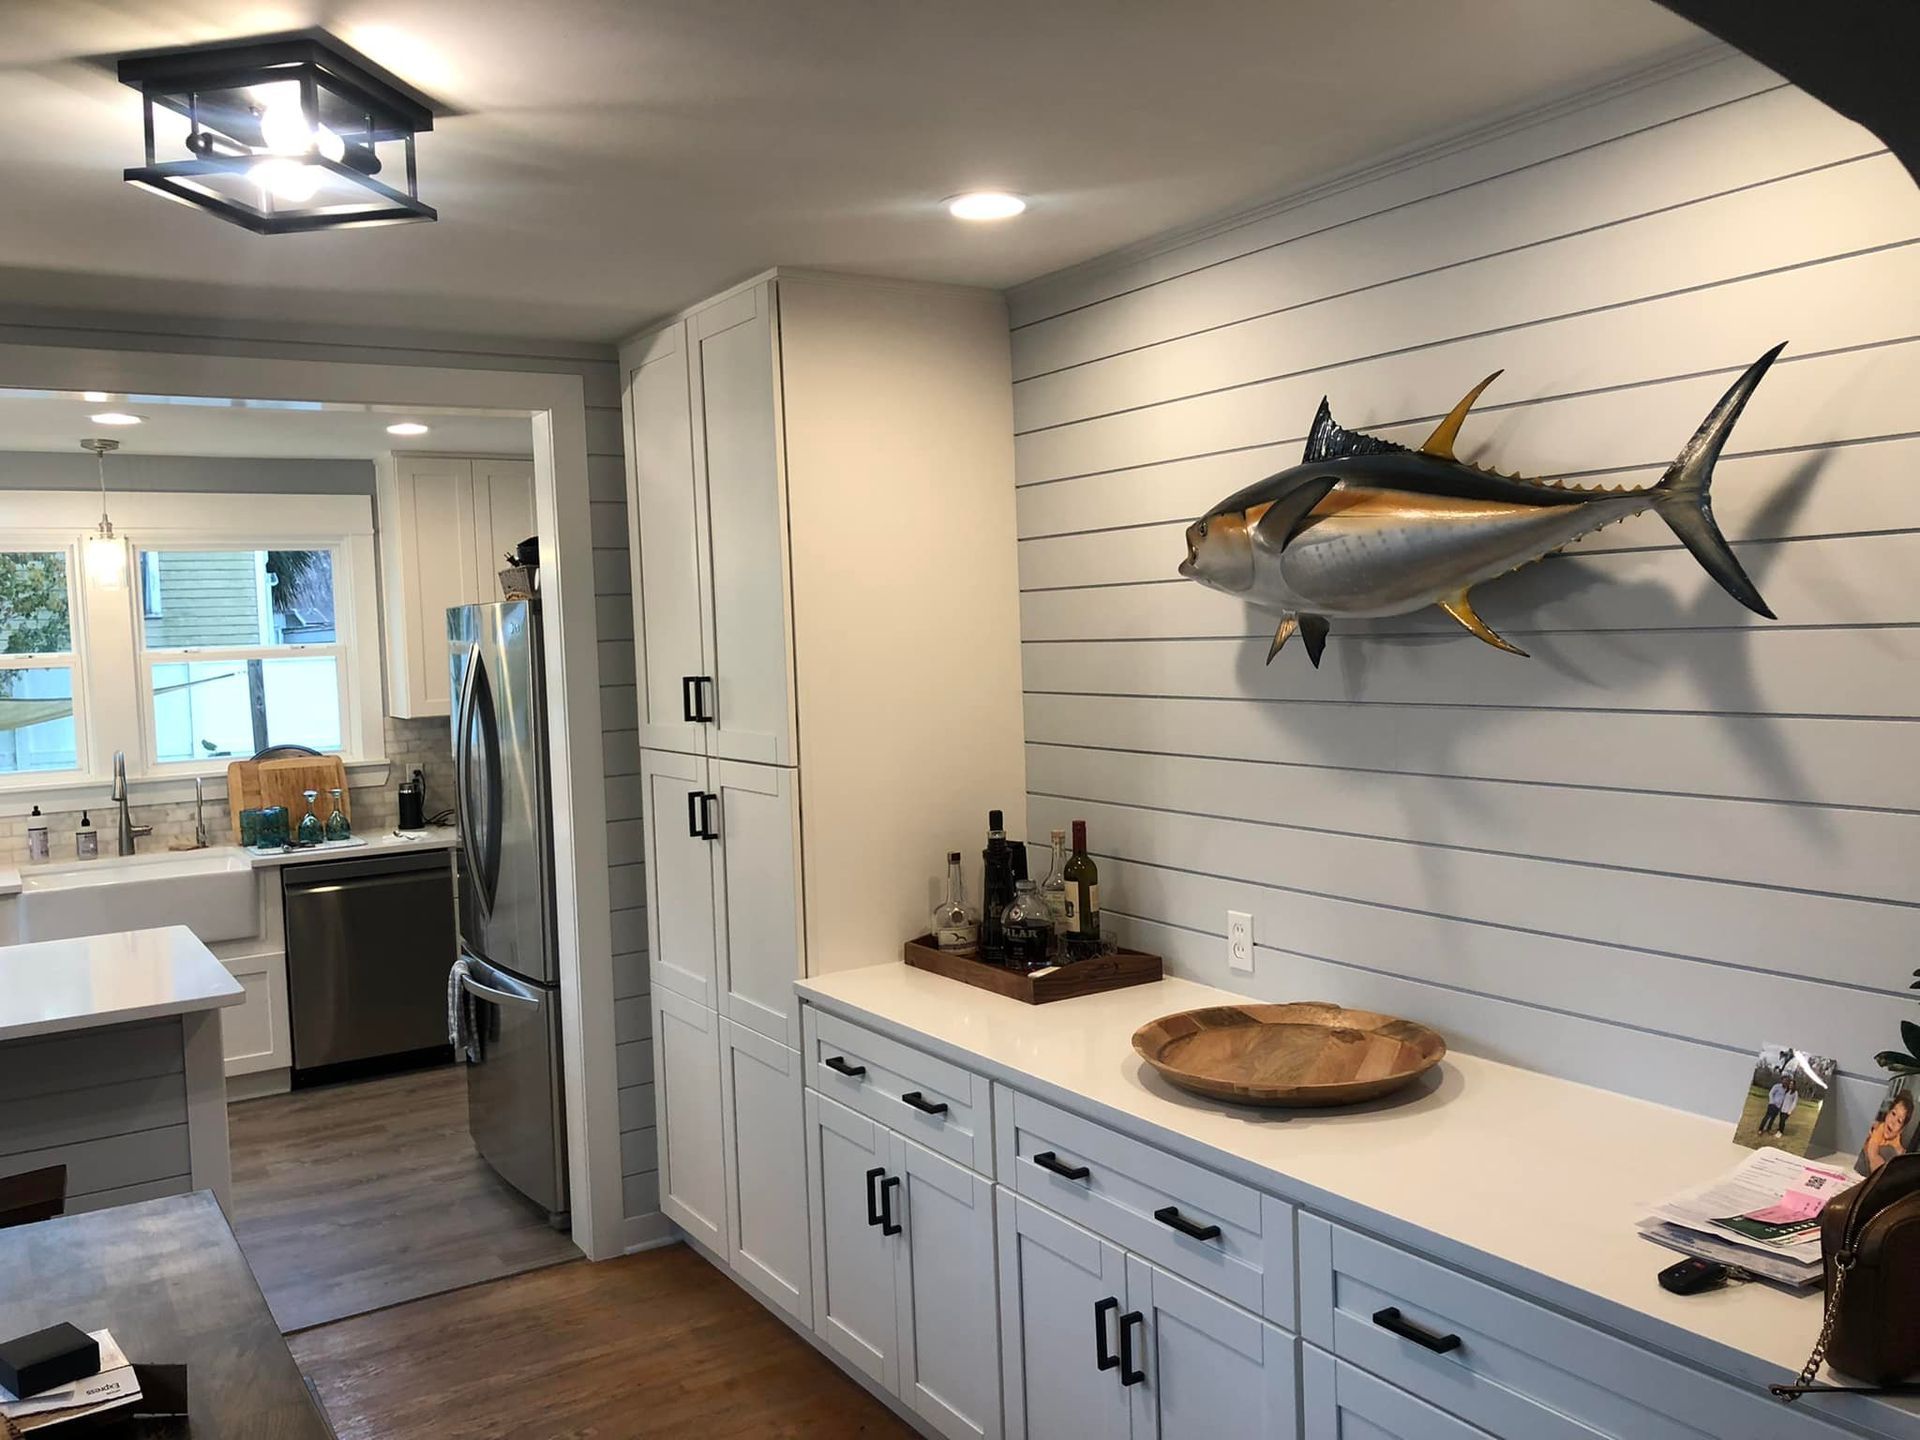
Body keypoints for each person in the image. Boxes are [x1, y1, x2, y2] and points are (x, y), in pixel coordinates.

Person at [1859, 1091, 1915, 1175]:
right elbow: (1873, 1151)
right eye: (1893, 1114)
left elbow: (1900, 1151)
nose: (1893, 1122)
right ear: (1887, 1113)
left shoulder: (1896, 1144)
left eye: (1899, 1121)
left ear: (1901, 1130)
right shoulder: (1879, 1128)